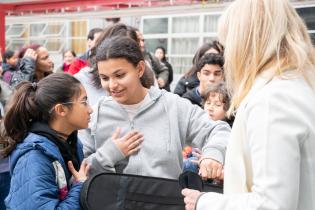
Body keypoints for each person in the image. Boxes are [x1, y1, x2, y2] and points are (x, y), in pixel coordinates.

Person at [182, 0, 315, 209]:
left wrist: (204, 202)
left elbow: (272, 203)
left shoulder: (272, 99)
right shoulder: (299, 85)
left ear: (245, 42)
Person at [80, 36, 231, 180]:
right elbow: (80, 169)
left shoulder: (173, 106)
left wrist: (213, 154)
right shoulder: (96, 114)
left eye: (120, 75)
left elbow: (218, 130)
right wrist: (109, 154)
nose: (112, 85)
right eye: (105, 78)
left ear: (140, 69)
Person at [3, 73, 92, 209]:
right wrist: (80, 186)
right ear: (61, 110)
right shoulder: (34, 156)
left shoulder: (71, 142)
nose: (90, 110)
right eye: (84, 102)